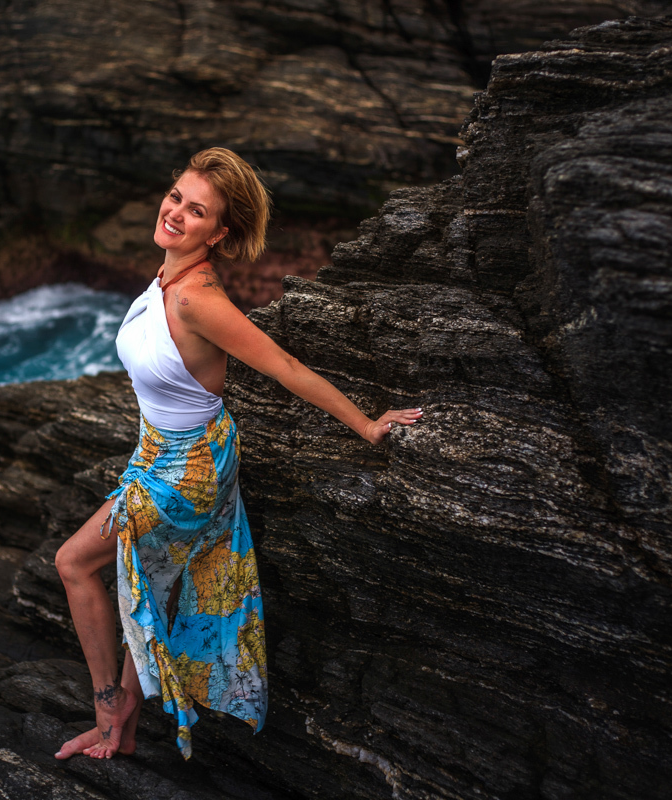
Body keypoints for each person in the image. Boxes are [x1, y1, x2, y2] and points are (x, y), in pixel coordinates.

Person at [53, 147, 423, 761]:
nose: (175, 213)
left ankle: (108, 713)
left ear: (218, 233)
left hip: (189, 471)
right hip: (160, 453)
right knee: (148, 577)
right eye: (176, 197)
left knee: (75, 563)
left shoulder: (199, 299)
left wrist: (366, 425)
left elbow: (284, 367)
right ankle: (126, 720)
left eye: (196, 211)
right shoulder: (167, 274)